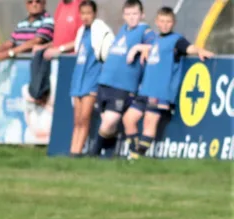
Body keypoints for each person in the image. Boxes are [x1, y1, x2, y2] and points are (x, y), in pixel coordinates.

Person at [122, 6, 213, 160]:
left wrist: (199, 50)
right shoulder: (157, 40)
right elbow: (153, 50)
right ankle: (134, 154)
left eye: (168, 22)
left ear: (173, 23)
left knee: (149, 124)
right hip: (145, 90)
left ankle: (136, 158)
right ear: (157, 22)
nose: (165, 24)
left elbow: (188, 48)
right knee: (128, 119)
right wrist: (143, 49)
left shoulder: (176, 40)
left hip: (159, 92)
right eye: (162, 21)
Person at [89, 0, 148, 157]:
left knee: (109, 121)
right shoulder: (123, 30)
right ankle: (109, 157)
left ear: (142, 15)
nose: (132, 17)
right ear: (123, 15)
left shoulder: (145, 31)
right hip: (105, 82)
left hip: (123, 86)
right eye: (128, 14)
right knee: (108, 124)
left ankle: (93, 153)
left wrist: (138, 47)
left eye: (135, 14)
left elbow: (157, 47)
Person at [59, 0, 110, 156]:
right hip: (78, 80)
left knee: (84, 118)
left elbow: (105, 51)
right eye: (83, 13)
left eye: (88, 13)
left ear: (94, 14)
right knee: (77, 120)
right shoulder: (81, 32)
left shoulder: (99, 31)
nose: (85, 17)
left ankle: (77, 152)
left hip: (91, 79)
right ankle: (73, 151)